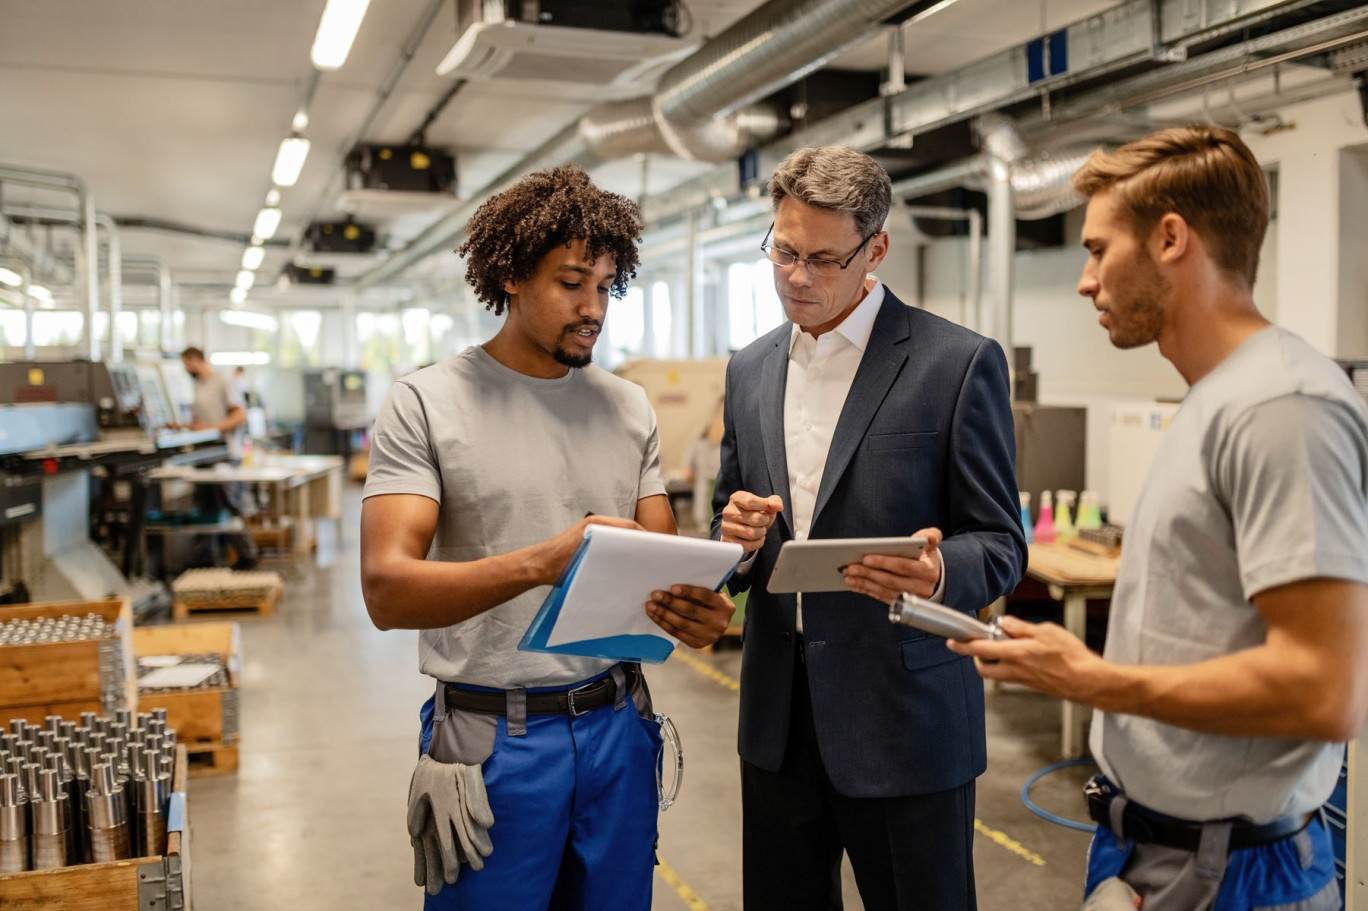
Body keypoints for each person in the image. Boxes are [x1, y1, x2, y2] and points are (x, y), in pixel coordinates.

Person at [950, 126, 1368, 910]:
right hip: (1158, 846)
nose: (1085, 280)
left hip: (1233, 870)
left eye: (1099, 249)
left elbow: (1325, 688)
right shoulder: (1216, 396)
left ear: (1171, 238)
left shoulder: (1282, 407)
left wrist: (1094, 679)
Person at [359, 164, 736, 911]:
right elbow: (386, 588)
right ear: (509, 276)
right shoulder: (427, 403)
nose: (592, 307)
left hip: (619, 729)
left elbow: (661, 577)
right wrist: (544, 560)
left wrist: (706, 609)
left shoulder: (629, 407)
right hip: (493, 739)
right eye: (571, 283)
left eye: (604, 286)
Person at [711, 145, 1026, 911]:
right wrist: (733, 538)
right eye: (783, 252)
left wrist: (939, 570)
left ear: (875, 249)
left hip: (905, 724)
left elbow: (1000, 540)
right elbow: (728, 524)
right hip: (778, 724)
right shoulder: (749, 369)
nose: (796, 276)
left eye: (823, 259)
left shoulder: (956, 364)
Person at [181, 347, 258, 569]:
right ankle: (203, 558)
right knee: (206, 508)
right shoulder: (197, 387)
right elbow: (200, 422)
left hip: (224, 452)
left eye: (188, 363)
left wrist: (212, 429)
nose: (186, 369)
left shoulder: (222, 382)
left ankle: (247, 553)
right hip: (203, 453)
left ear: (197, 360)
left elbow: (239, 415)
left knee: (229, 504)